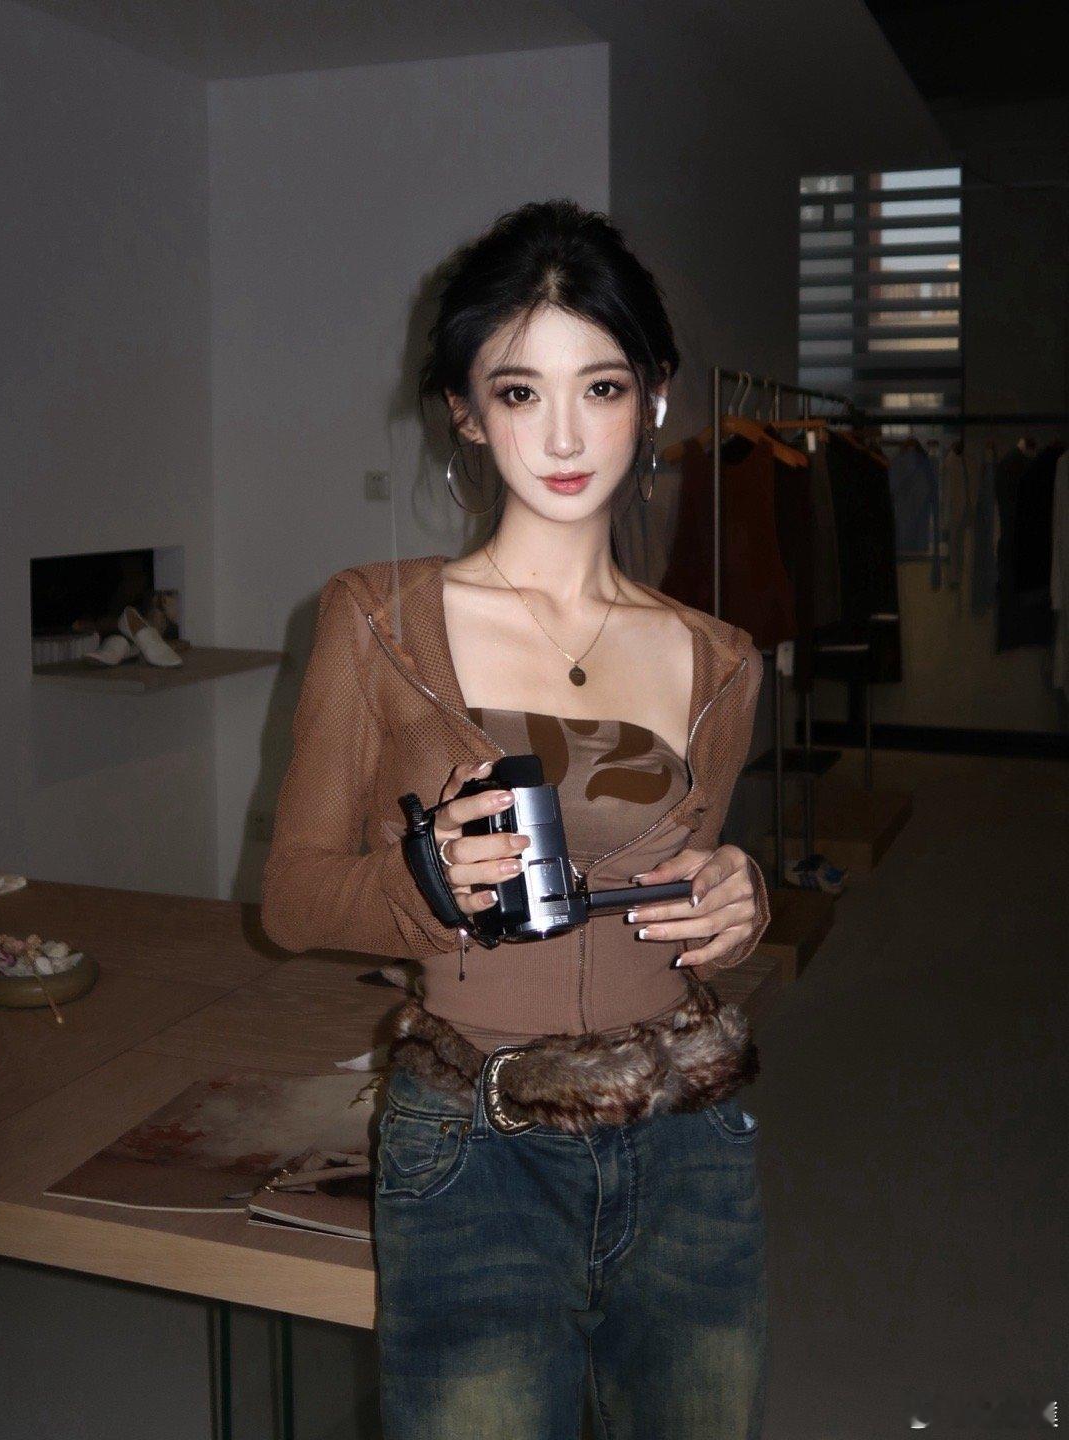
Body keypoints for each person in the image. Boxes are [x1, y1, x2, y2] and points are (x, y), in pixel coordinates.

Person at [261, 199, 771, 1439]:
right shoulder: (379, 623)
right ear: (466, 410)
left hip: (690, 1146)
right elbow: (290, 900)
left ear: (653, 396)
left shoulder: (719, 660)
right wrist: (419, 880)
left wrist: (740, 900)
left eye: (601, 387)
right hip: (472, 1151)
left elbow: (684, 897)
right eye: (519, 390)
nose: (564, 435)